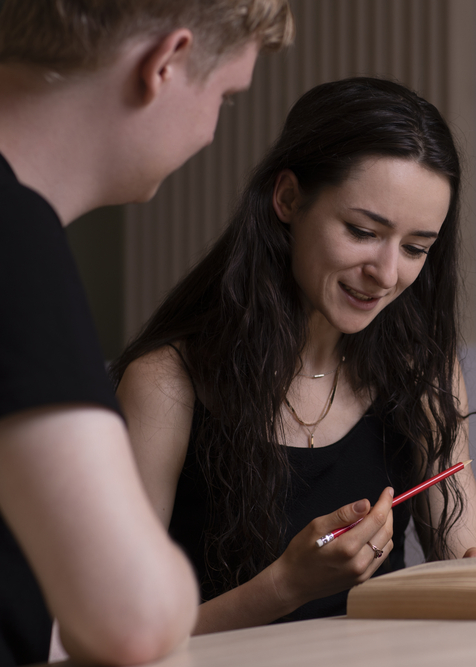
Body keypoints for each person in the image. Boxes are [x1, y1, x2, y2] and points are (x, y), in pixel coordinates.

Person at [111, 77, 476, 634]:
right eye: (363, 231)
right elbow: (119, 635)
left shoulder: (423, 372)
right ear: (288, 199)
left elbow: (472, 566)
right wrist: (285, 586)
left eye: (416, 249)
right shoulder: (167, 384)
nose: (387, 275)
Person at [0, 1, 293, 665]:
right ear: (166, 62)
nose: (214, 131)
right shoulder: (16, 241)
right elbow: (130, 617)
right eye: (227, 97)